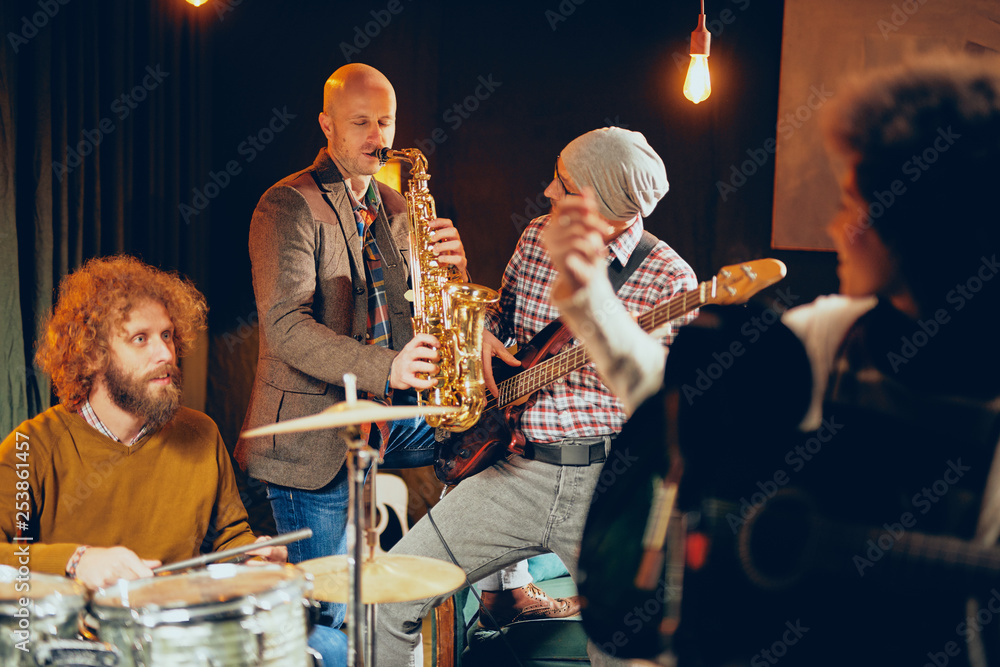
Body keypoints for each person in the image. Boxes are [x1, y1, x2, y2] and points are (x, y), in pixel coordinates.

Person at [546, 54, 1000, 665]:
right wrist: (590, 302)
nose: (837, 227)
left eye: (852, 204)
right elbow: (687, 408)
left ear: (917, 224)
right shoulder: (834, 336)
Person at [376, 126, 698, 665]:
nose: (548, 191)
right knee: (388, 596)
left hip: (606, 485)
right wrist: (479, 328)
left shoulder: (671, 279)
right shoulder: (536, 236)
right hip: (515, 470)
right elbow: (506, 322)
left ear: (603, 201)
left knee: (623, 648)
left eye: (564, 184)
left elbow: (664, 409)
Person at [234, 62, 470, 654]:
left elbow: (422, 309)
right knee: (334, 617)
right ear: (326, 124)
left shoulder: (394, 205)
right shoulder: (285, 203)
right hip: (308, 437)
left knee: (483, 433)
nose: (377, 136)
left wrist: (454, 273)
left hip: (381, 418)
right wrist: (387, 368)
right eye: (360, 121)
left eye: (385, 121)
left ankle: (487, 585)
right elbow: (286, 328)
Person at [0, 255, 285, 589]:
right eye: (140, 338)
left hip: (176, 631)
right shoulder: (31, 446)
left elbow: (229, 539)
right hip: (79, 635)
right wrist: (76, 561)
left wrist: (251, 557)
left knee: (328, 642)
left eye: (166, 335)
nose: (165, 353)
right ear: (92, 354)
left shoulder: (202, 433)